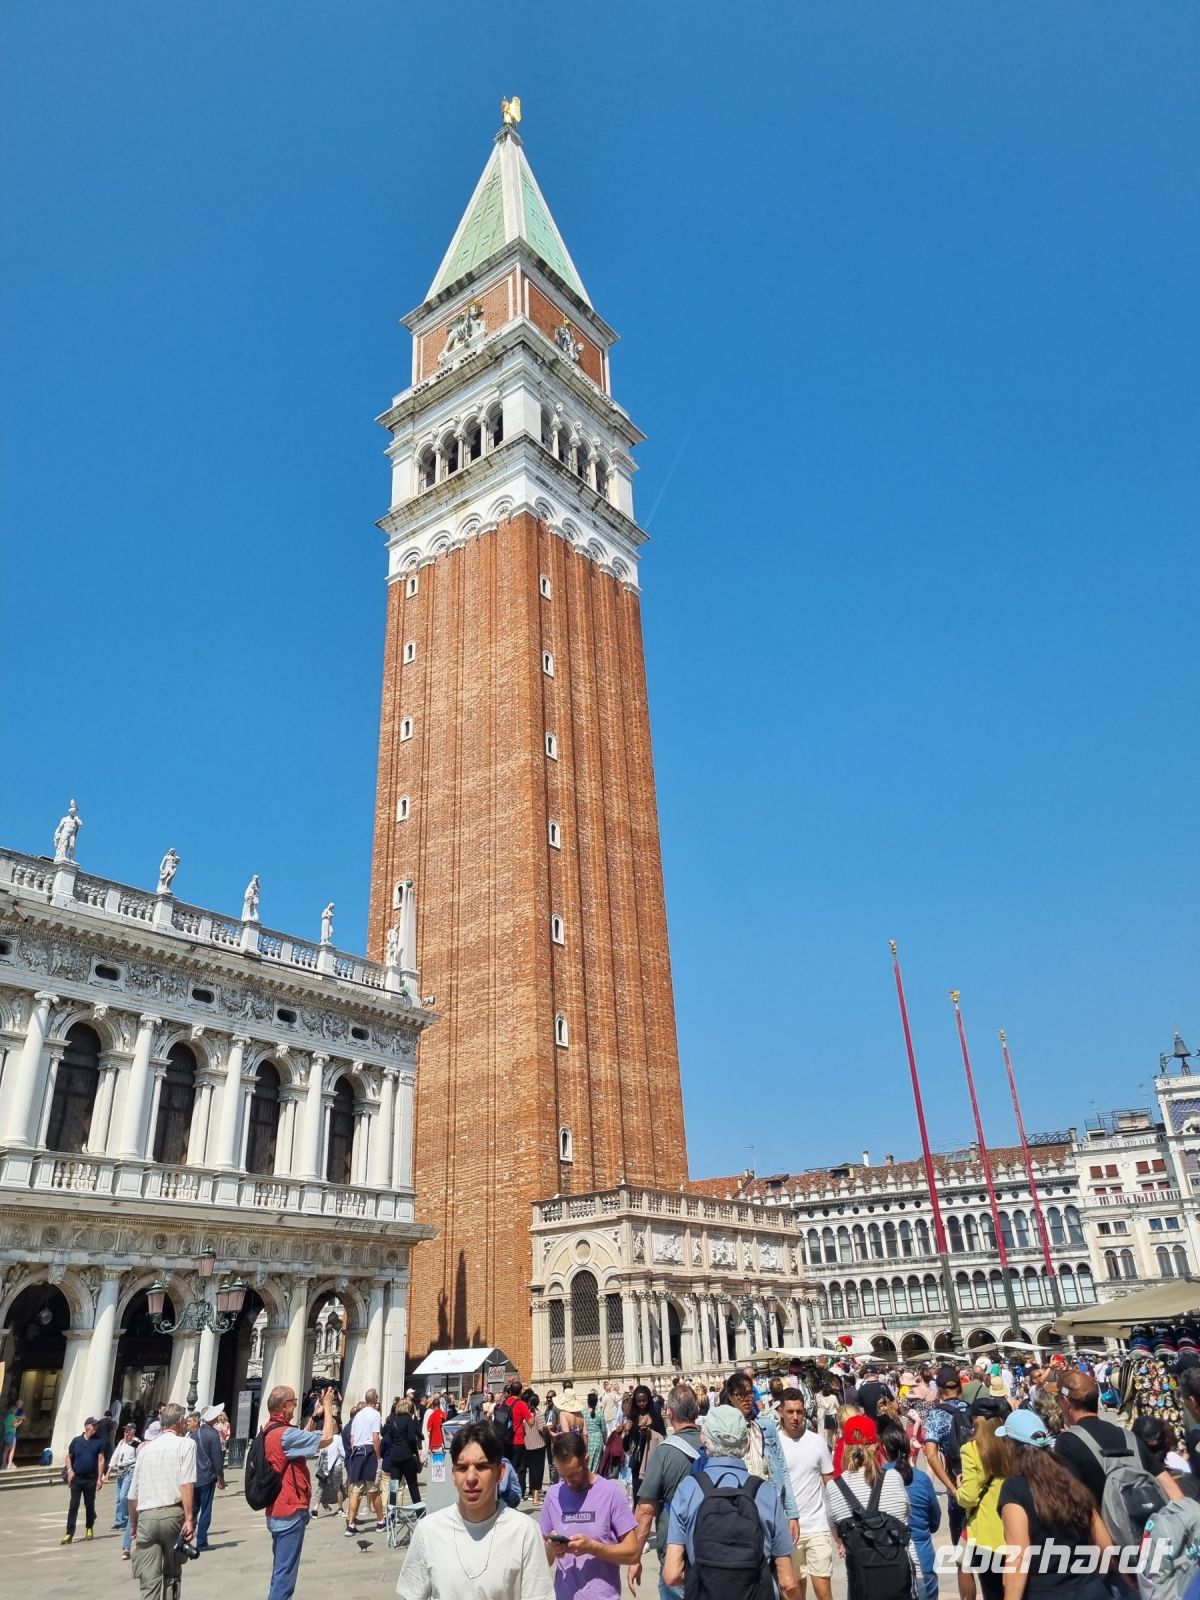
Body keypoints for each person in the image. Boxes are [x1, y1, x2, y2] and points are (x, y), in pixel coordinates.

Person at [397, 1419, 554, 1600]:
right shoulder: (428, 1531)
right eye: (462, 1468)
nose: (471, 1477)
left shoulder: (524, 1531)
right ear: (453, 1475)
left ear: (500, 1473)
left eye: (481, 1467)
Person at [663, 1404, 800, 1600]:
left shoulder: (688, 1489)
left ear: (704, 1440)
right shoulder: (765, 1492)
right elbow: (788, 1581)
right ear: (746, 1443)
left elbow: (672, 1574)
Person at [1053, 1366, 1182, 1555]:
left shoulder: (1067, 1442)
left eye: (1058, 1399)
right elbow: (1174, 1493)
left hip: (1115, 1550)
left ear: (1066, 1402)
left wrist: (1112, 1562)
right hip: (1156, 1542)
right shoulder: (1129, 1437)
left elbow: (1080, 1506)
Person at [995, 1408, 1118, 1599]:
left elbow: (1018, 1558)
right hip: (1091, 1590)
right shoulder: (1070, 1481)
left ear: (1011, 1446)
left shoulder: (1014, 1489)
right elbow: (1104, 1545)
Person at [259, 1384, 336, 1600]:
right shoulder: (285, 1435)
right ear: (285, 1406)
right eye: (293, 1402)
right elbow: (327, 1437)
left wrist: (314, 1417)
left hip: (277, 1508)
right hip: (289, 1510)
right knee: (284, 1579)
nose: (295, 1405)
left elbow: (300, 1439)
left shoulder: (271, 1430)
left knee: (280, 1571)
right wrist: (329, 1408)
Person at [827, 1412, 915, 1600]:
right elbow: (906, 1514)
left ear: (845, 1448)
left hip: (862, 1583)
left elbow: (837, 1535)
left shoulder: (834, 1487)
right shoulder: (893, 1477)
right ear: (876, 1445)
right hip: (899, 1579)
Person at [541, 1430, 639, 1598]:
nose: (569, 1482)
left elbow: (632, 1553)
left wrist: (594, 1548)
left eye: (574, 1474)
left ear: (586, 1460)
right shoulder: (553, 1496)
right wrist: (552, 1549)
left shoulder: (611, 1494)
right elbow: (544, 1559)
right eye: (563, 1476)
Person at [630, 1381, 703, 1599]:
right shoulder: (714, 1445)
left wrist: (635, 1557)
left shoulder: (664, 1452)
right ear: (697, 1412)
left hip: (675, 1555)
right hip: (712, 1551)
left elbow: (645, 1511)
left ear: (669, 1412)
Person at [126, 1403, 196, 1600]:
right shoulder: (186, 1444)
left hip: (146, 1517)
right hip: (173, 1515)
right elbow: (187, 1483)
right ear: (180, 1422)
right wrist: (189, 1518)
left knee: (148, 1581)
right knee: (172, 1574)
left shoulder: (145, 1450)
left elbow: (132, 1496)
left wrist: (134, 1525)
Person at [724, 1368, 801, 1535]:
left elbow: (782, 1467)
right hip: (741, 1506)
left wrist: (792, 1513)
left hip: (770, 1501)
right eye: (740, 1394)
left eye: (750, 1393)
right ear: (731, 1397)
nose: (746, 1399)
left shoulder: (766, 1426)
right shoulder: (724, 1430)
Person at [775, 1390, 835, 1600]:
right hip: (787, 1530)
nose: (795, 1417)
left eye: (799, 1412)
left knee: (824, 1592)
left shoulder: (817, 1442)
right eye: (790, 1411)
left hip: (817, 1527)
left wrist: (837, 1528)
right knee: (793, 1593)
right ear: (780, 1411)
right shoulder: (774, 1445)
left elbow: (830, 1484)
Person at [922, 1367, 975, 1600]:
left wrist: (951, 1487)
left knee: (963, 1558)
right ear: (960, 1388)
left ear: (940, 1390)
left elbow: (931, 1454)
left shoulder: (935, 1416)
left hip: (958, 1485)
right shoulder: (974, 1411)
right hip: (982, 1484)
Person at [955, 1399, 1010, 1600]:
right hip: (1013, 1527)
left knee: (992, 1590)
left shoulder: (971, 1449)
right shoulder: (1010, 1444)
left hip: (986, 1533)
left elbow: (968, 1497)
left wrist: (958, 1489)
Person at [878, 1419, 940, 1600]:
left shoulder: (875, 1482)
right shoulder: (922, 1479)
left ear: (883, 1449)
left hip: (890, 1563)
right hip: (924, 1559)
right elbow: (935, 1522)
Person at [345, 1385, 385, 1535]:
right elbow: (375, 1437)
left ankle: (351, 1524)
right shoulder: (375, 1414)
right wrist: (378, 1456)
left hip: (357, 1452)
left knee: (356, 1490)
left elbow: (352, 1439)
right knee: (373, 1488)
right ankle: (380, 1521)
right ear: (375, 1400)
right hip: (369, 1452)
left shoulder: (358, 1416)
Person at [62, 1415, 108, 1543]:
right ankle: (69, 1533)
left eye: (96, 1425)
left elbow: (101, 1460)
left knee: (89, 1504)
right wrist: (70, 1470)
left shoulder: (99, 1441)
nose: (95, 1428)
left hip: (91, 1479)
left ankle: (89, 1527)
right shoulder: (76, 1441)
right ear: (87, 1427)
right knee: (73, 1505)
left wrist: (100, 1478)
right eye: (93, 1425)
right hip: (77, 1478)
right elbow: (68, 1457)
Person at [623, 1385, 666, 1503]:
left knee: (655, 1495)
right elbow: (625, 1447)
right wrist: (626, 1432)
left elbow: (664, 1439)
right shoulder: (631, 1419)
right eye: (638, 1401)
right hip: (637, 1462)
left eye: (644, 1400)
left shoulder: (656, 1418)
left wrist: (650, 1433)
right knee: (639, 1494)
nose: (641, 1403)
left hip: (653, 1461)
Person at [382, 1396, 425, 1513]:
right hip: (407, 1457)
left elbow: (388, 1437)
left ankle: (391, 1513)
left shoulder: (393, 1420)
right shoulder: (408, 1420)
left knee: (394, 1486)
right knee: (412, 1486)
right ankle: (420, 1513)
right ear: (407, 1408)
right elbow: (412, 1438)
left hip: (395, 1459)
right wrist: (414, 1451)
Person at [193, 1403, 225, 1553]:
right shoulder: (213, 1435)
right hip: (207, 1477)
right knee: (205, 1510)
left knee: (192, 1509)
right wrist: (221, 1478)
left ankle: (185, 1536)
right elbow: (217, 1459)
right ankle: (201, 1541)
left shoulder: (194, 1434)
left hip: (193, 1478)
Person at [110, 1421, 139, 1553]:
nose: (126, 1432)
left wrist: (131, 1441)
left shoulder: (136, 1442)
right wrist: (107, 1473)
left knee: (123, 1497)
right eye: (125, 1430)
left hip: (130, 1470)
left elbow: (140, 1453)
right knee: (118, 1497)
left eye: (128, 1430)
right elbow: (115, 1456)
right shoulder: (121, 1442)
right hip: (120, 1471)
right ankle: (119, 1520)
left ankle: (127, 1518)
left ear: (133, 1431)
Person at [525, 1392, 547, 1507]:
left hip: (527, 1445)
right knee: (538, 1472)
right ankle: (536, 1497)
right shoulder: (539, 1414)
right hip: (538, 1445)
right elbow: (541, 1429)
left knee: (531, 1471)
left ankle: (531, 1493)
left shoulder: (526, 1415)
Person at [586, 1392, 608, 1472]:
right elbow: (604, 1429)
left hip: (587, 1440)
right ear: (596, 1403)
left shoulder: (583, 1413)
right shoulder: (599, 1414)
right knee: (596, 1463)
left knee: (587, 1461)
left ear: (588, 1401)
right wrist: (605, 1440)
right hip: (597, 1440)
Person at [3, 1398, 23, 1469]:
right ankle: (9, 1464)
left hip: (6, 1434)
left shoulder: (7, 1417)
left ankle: (3, 1464)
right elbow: (14, 1425)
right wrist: (19, 1422)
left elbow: (6, 1424)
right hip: (11, 1435)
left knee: (6, 1450)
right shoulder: (13, 1417)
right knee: (12, 1450)